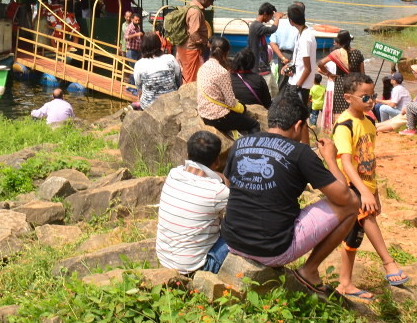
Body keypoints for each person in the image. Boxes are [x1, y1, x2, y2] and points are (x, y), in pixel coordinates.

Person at [220, 87, 362, 296]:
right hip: (273, 250)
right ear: (298, 125)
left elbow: (228, 182)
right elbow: (344, 197)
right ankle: (309, 270)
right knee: (353, 203)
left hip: (232, 241)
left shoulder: (240, 144)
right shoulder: (300, 153)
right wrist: (331, 158)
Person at [331, 73, 408, 300]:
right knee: (368, 217)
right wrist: (364, 191)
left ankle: (345, 283)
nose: (371, 101)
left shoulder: (369, 122)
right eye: (365, 97)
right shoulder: (344, 125)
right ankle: (389, 263)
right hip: (350, 183)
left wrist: (374, 191)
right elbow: (346, 162)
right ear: (348, 98)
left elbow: (370, 158)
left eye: (373, 96)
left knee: (354, 236)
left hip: (366, 183)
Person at [155, 131, 231, 275]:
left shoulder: (174, 174)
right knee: (242, 230)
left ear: (187, 154)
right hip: (199, 266)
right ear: (217, 161)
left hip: (164, 259)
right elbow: (243, 211)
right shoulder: (217, 191)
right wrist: (227, 180)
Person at [197, 37, 260, 137]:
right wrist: (243, 108)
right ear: (226, 53)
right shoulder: (222, 72)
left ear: (211, 49)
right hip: (217, 117)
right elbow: (231, 103)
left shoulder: (203, 67)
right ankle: (251, 145)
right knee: (254, 124)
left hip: (203, 112)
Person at [177, 0, 217, 84]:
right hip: (191, 49)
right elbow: (194, 33)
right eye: (211, 1)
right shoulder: (196, 12)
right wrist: (202, 45)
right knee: (191, 78)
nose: (211, 4)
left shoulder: (190, 5)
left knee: (187, 75)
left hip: (185, 47)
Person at [131, 32, 182, 110]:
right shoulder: (170, 58)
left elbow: (139, 87)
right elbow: (179, 80)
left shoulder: (139, 64)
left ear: (143, 46)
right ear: (159, 44)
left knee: (139, 100)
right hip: (171, 103)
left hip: (149, 106)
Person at [247, 3, 279, 76]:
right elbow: (272, 29)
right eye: (270, 16)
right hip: (258, 63)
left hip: (259, 62)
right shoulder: (257, 26)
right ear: (265, 14)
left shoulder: (256, 25)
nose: (270, 19)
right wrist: (277, 18)